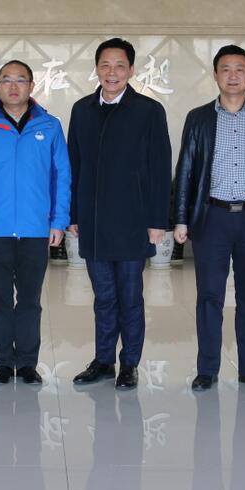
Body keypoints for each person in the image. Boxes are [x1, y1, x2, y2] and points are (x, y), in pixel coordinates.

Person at [173, 45, 245, 392]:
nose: (233, 75)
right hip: (213, 218)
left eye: (240, 69)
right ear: (215, 75)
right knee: (209, 296)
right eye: (226, 69)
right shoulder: (199, 118)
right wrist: (180, 218)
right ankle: (207, 369)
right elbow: (185, 170)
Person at [67, 38, 171, 390]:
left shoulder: (148, 110)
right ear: (97, 69)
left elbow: (159, 167)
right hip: (94, 221)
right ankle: (103, 361)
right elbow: (74, 165)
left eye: (119, 66)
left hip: (133, 220)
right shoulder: (82, 110)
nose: (112, 72)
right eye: (105, 65)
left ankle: (129, 364)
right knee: (103, 297)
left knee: (129, 297)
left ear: (131, 70)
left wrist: (157, 220)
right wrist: (73, 213)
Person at [0, 60, 71, 385]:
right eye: (6, 80)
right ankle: (4, 364)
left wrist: (58, 221)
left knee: (30, 301)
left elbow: (61, 177)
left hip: (36, 230)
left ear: (32, 86)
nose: (13, 86)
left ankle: (27, 364)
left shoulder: (50, 127)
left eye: (20, 80)